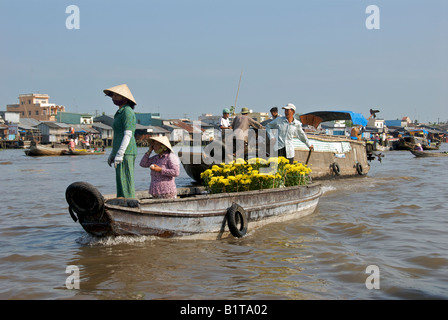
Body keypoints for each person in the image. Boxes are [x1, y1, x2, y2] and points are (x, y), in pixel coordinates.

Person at [104, 84, 138, 199]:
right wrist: (113, 154)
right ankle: (122, 201)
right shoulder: (119, 112)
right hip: (120, 150)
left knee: (126, 180)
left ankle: (129, 202)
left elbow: (128, 134)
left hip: (127, 151)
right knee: (120, 180)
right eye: (113, 95)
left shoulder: (127, 111)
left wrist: (120, 153)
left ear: (125, 98)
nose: (114, 97)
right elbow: (118, 135)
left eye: (117, 95)